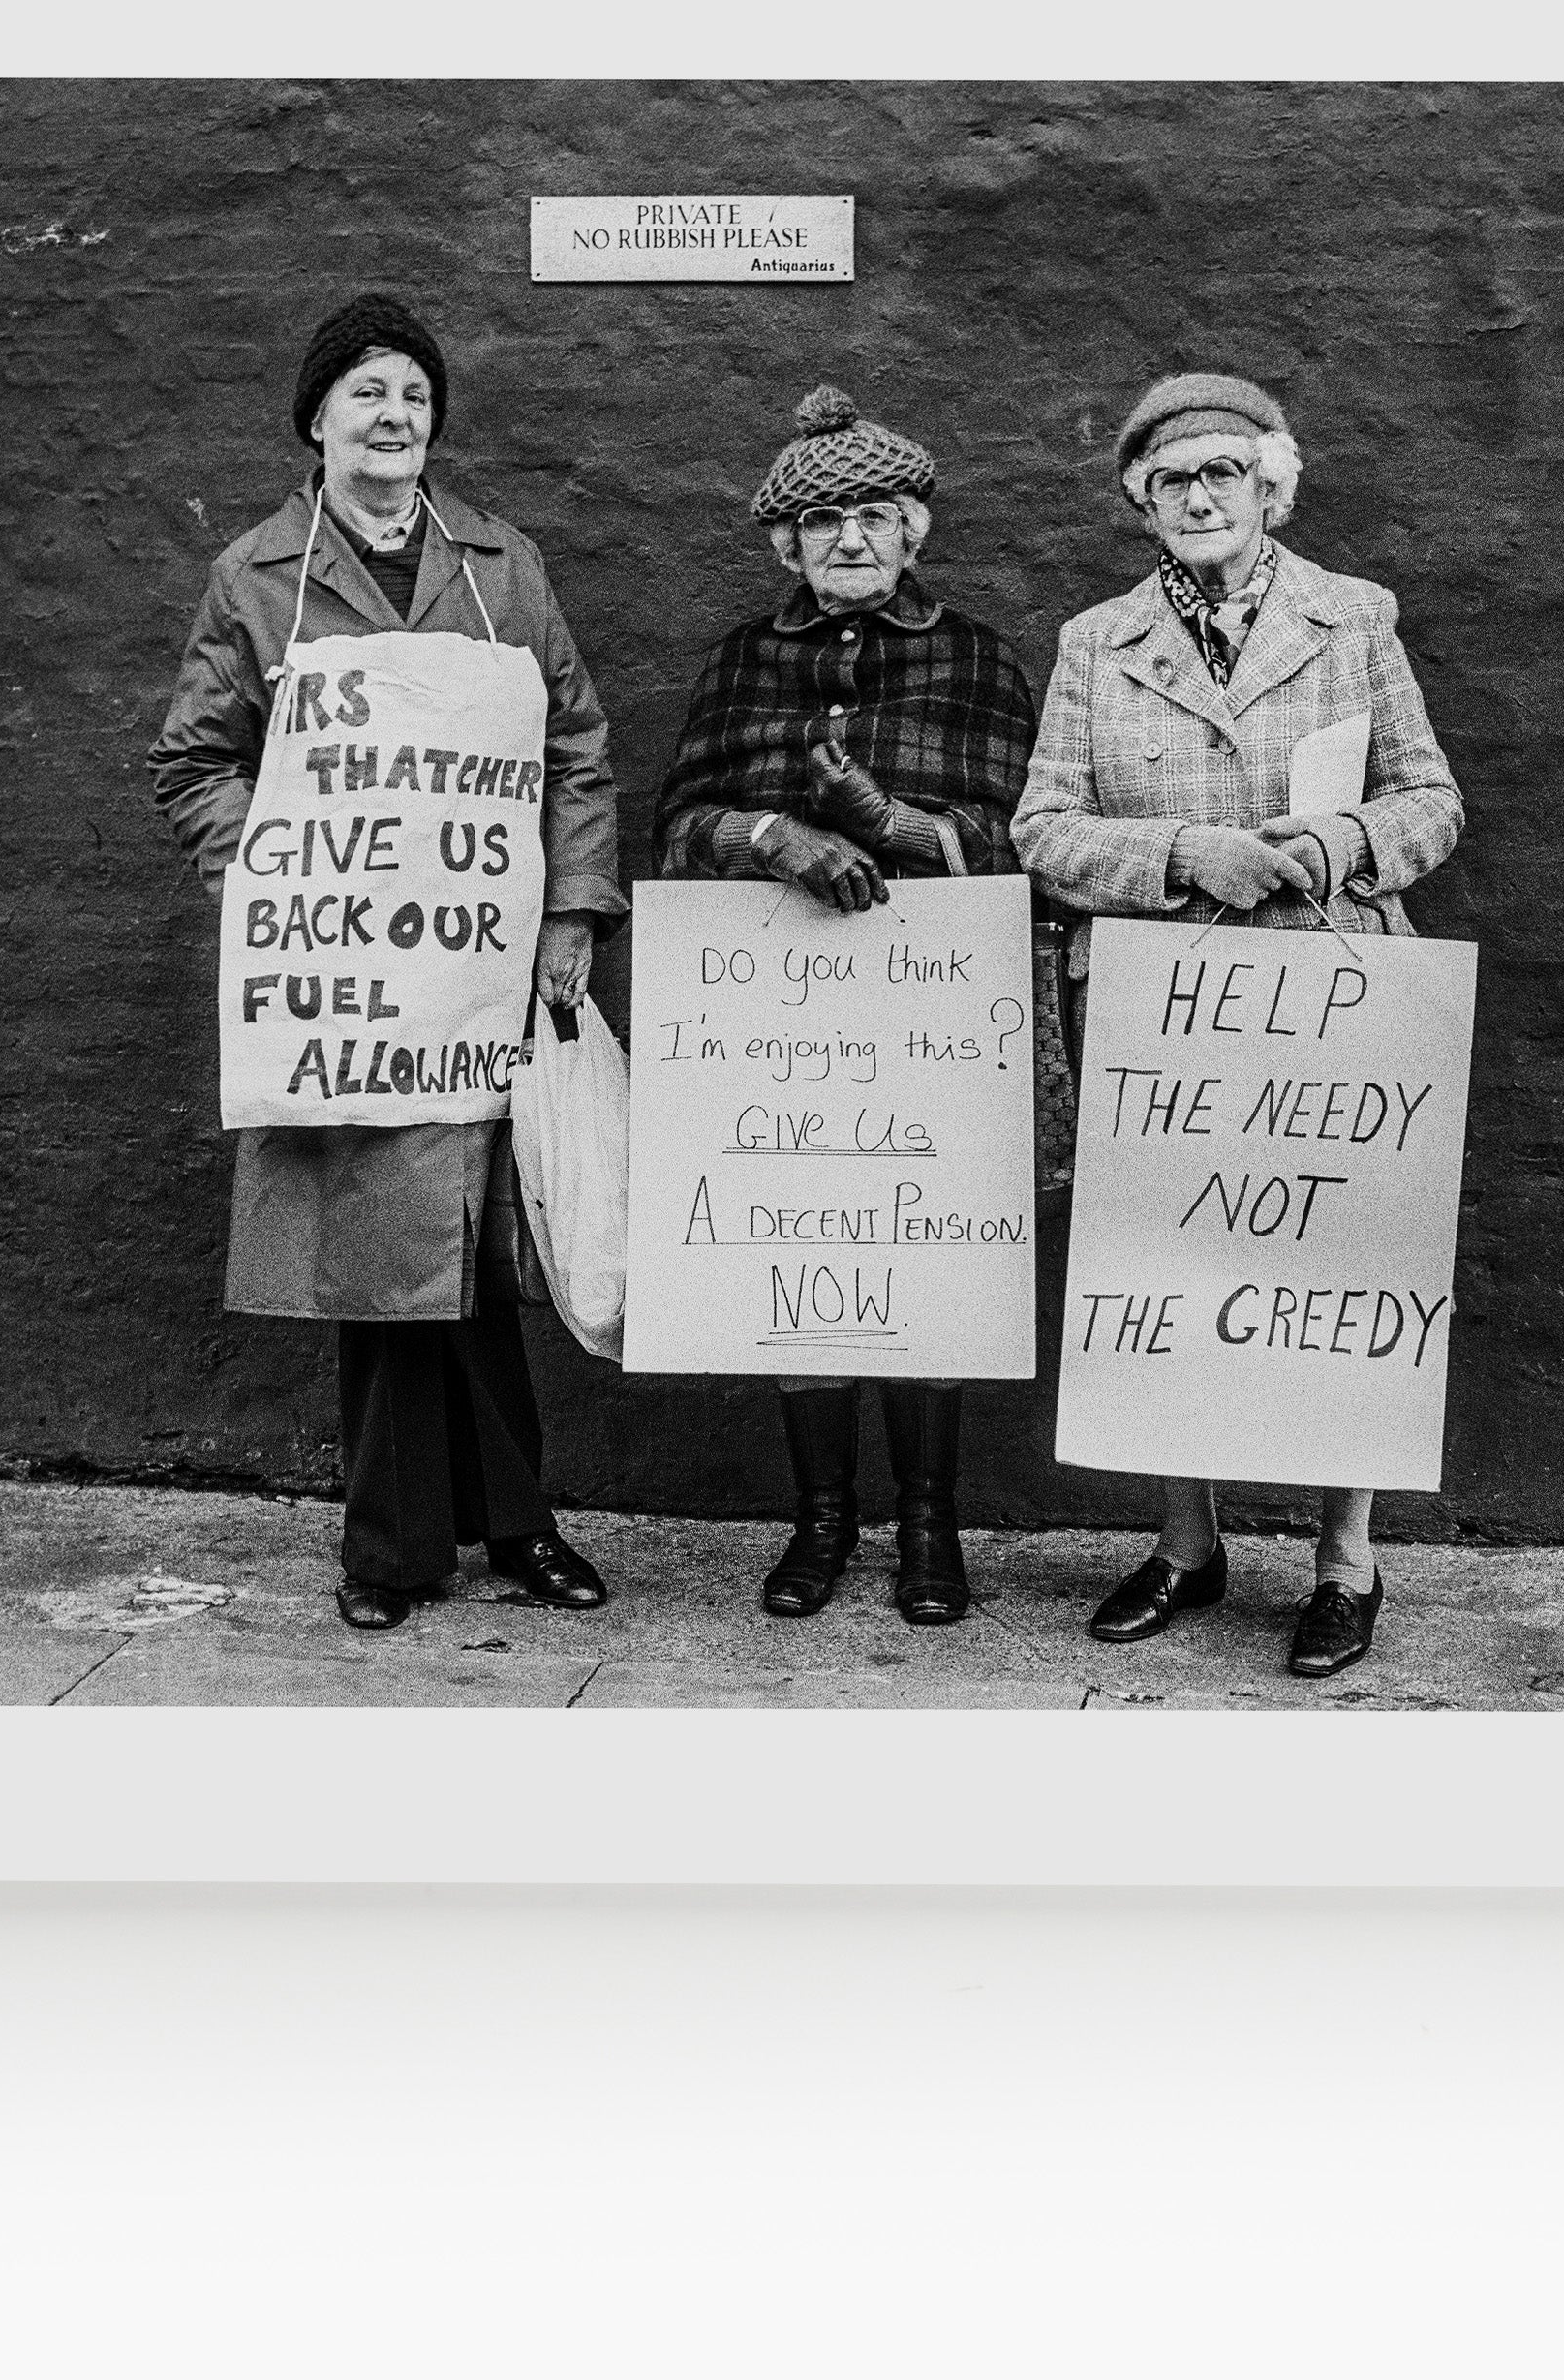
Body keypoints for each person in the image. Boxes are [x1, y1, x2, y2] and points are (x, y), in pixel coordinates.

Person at [150, 293, 629, 1632]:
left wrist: (573, 913)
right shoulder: (258, 575)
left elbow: (573, 742)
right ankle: (391, 1549)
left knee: (475, 1267)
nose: (394, 417)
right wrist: (274, 866)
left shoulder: (499, 561)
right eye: (366, 393)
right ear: (317, 420)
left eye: (413, 396)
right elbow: (193, 758)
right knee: (379, 1273)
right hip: (356, 983)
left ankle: (520, 1527)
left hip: (477, 970)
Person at [1012, 369, 1465, 1678]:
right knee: (1166, 1274)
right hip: (1170, 1013)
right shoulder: (1098, 643)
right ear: (1139, 505)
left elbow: (1432, 802)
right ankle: (1185, 1545)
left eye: (1223, 475)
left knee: (1334, 1276)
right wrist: (1186, 855)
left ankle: (1344, 1563)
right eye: (1171, 482)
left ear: (1272, 486)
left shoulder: (1353, 620)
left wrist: (1336, 844)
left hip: (1331, 1000)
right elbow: (1041, 833)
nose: (1198, 498)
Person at [654, 386, 1040, 1624]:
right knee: (803, 1260)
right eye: (823, 523)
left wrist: (895, 826)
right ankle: (821, 1522)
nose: (851, 541)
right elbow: (677, 829)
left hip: (927, 1017)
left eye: (876, 516)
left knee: (919, 1266)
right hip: (778, 1029)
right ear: (786, 546)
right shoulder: (741, 661)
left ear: (915, 529)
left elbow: (1024, 837)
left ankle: (930, 1528)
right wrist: (769, 832)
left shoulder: (976, 658)